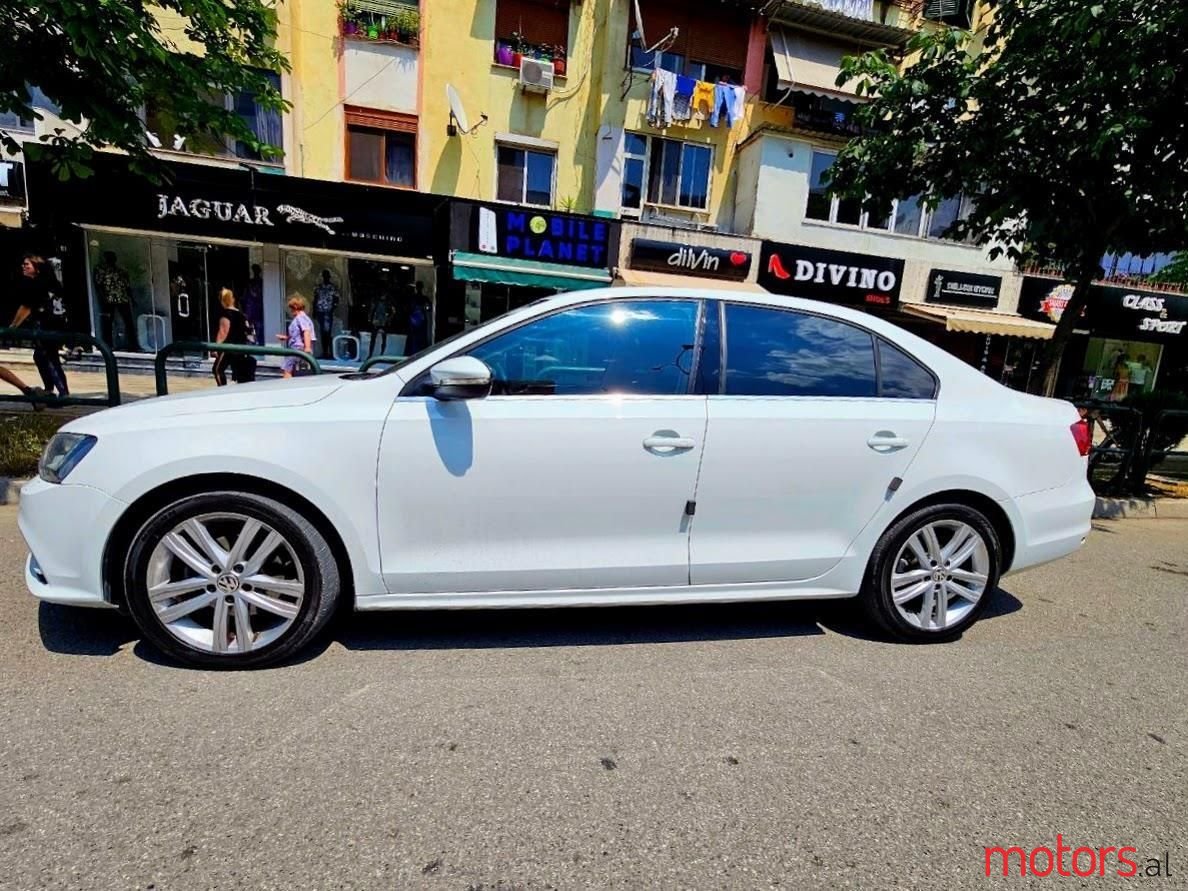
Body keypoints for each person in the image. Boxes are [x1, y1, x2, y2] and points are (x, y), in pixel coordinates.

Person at [11, 254, 69, 399]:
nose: (23, 267)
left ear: (37, 268)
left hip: (47, 325)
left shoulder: (36, 285)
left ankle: (62, 393)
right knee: (42, 356)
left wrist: (13, 326)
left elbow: (26, 307)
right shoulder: (52, 284)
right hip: (57, 324)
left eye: (27, 265)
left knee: (48, 356)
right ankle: (51, 389)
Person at [212, 288, 257, 386]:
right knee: (238, 373)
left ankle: (222, 390)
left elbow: (223, 332)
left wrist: (215, 348)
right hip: (240, 347)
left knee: (217, 370)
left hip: (228, 347)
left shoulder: (226, 314)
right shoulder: (241, 315)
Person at [92, 251, 134, 350]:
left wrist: (132, 298)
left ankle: (132, 344)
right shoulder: (101, 270)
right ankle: (108, 345)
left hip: (122, 298)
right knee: (107, 323)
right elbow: (98, 285)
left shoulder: (120, 271)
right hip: (109, 300)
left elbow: (127, 286)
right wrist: (102, 298)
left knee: (128, 322)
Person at [276, 295, 315, 378]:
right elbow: (297, 334)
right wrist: (286, 338)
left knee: (287, 369)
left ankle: (287, 386)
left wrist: (307, 347)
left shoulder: (300, 318)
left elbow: (306, 331)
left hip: (298, 349)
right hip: (297, 348)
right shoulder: (302, 318)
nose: (290, 311)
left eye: (291, 308)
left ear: (295, 307)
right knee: (292, 369)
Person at [312, 269, 340, 359]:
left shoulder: (333, 288)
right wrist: (314, 311)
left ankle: (329, 352)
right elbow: (315, 299)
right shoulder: (319, 287)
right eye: (324, 276)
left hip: (328, 312)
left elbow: (336, 299)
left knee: (327, 332)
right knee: (322, 332)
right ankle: (324, 352)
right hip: (320, 311)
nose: (325, 278)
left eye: (327, 276)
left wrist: (333, 308)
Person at [242, 264, 265, 344]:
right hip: (251, 307)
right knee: (251, 325)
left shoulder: (262, 283)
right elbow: (245, 296)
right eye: (254, 271)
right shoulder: (250, 282)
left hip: (258, 307)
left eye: (256, 270)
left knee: (258, 325)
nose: (255, 272)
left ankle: (258, 340)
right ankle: (253, 341)